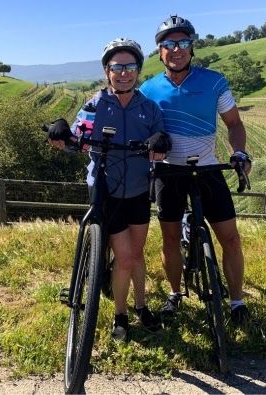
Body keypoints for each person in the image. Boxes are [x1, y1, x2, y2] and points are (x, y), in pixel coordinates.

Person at [47, 38, 172, 340]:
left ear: (138, 71)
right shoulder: (94, 105)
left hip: (139, 190)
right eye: (117, 67)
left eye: (130, 67)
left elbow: (162, 141)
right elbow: (74, 140)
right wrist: (60, 131)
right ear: (107, 71)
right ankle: (121, 314)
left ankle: (141, 306)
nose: (124, 73)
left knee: (137, 255)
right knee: (127, 257)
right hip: (106, 189)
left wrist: (162, 143)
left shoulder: (149, 108)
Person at [140, 16, 252, 325]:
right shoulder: (149, 89)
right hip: (167, 172)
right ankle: (175, 294)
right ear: (159, 51)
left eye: (183, 43)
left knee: (230, 238)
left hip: (207, 169)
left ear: (193, 47)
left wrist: (239, 153)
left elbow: (234, 124)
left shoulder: (214, 81)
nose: (176, 50)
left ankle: (237, 301)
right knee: (170, 238)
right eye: (169, 44)